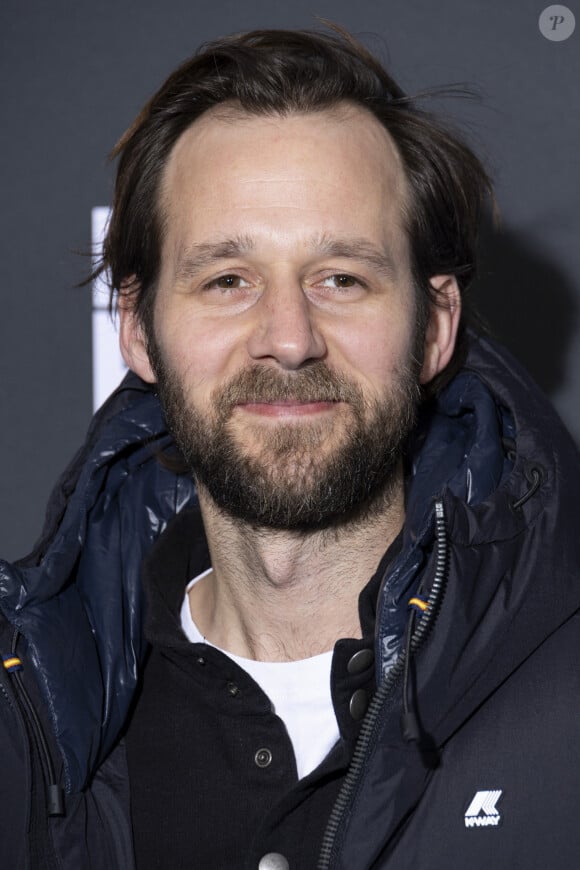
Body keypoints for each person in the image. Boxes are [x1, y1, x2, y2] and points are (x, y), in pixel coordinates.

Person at [1, 25, 579, 870]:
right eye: (227, 281)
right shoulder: (35, 715)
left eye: (342, 277)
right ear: (137, 330)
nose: (289, 338)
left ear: (434, 327)